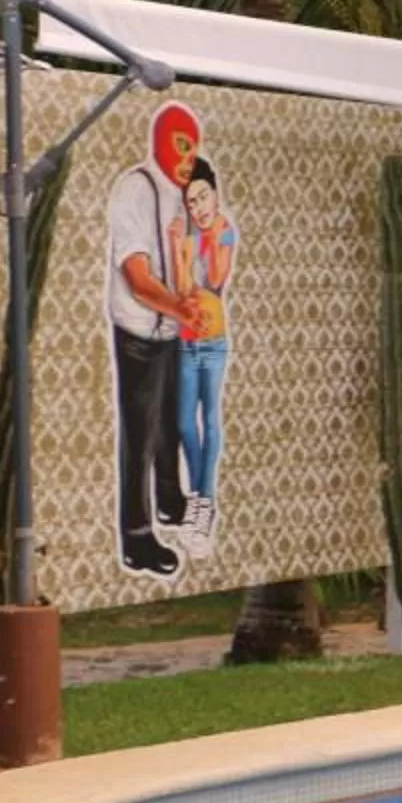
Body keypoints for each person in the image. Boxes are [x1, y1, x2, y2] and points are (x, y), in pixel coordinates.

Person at [107, 103, 204, 578]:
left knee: (169, 420)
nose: (188, 158)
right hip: (140, 331)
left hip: (168, 329)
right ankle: (137, 536)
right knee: (139, 435)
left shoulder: (179, 195)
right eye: (181, 146)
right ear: (163, 142)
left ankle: (169, 499)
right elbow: (137, 276)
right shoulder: (136, 189)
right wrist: (179, 307)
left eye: (194, 149)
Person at [169, 158, 235, 560]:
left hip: (213, 341)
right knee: (183, 423)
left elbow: (212, 279)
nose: (199, 207)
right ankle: (200, 497)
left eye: (203, 196)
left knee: (209, 419)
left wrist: (198, 241)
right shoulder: (190, 238)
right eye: (191, 202)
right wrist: (179, 250)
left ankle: (203, 504)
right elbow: (181, 288)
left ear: (215, 192)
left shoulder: (223, 233)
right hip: (186, 340)